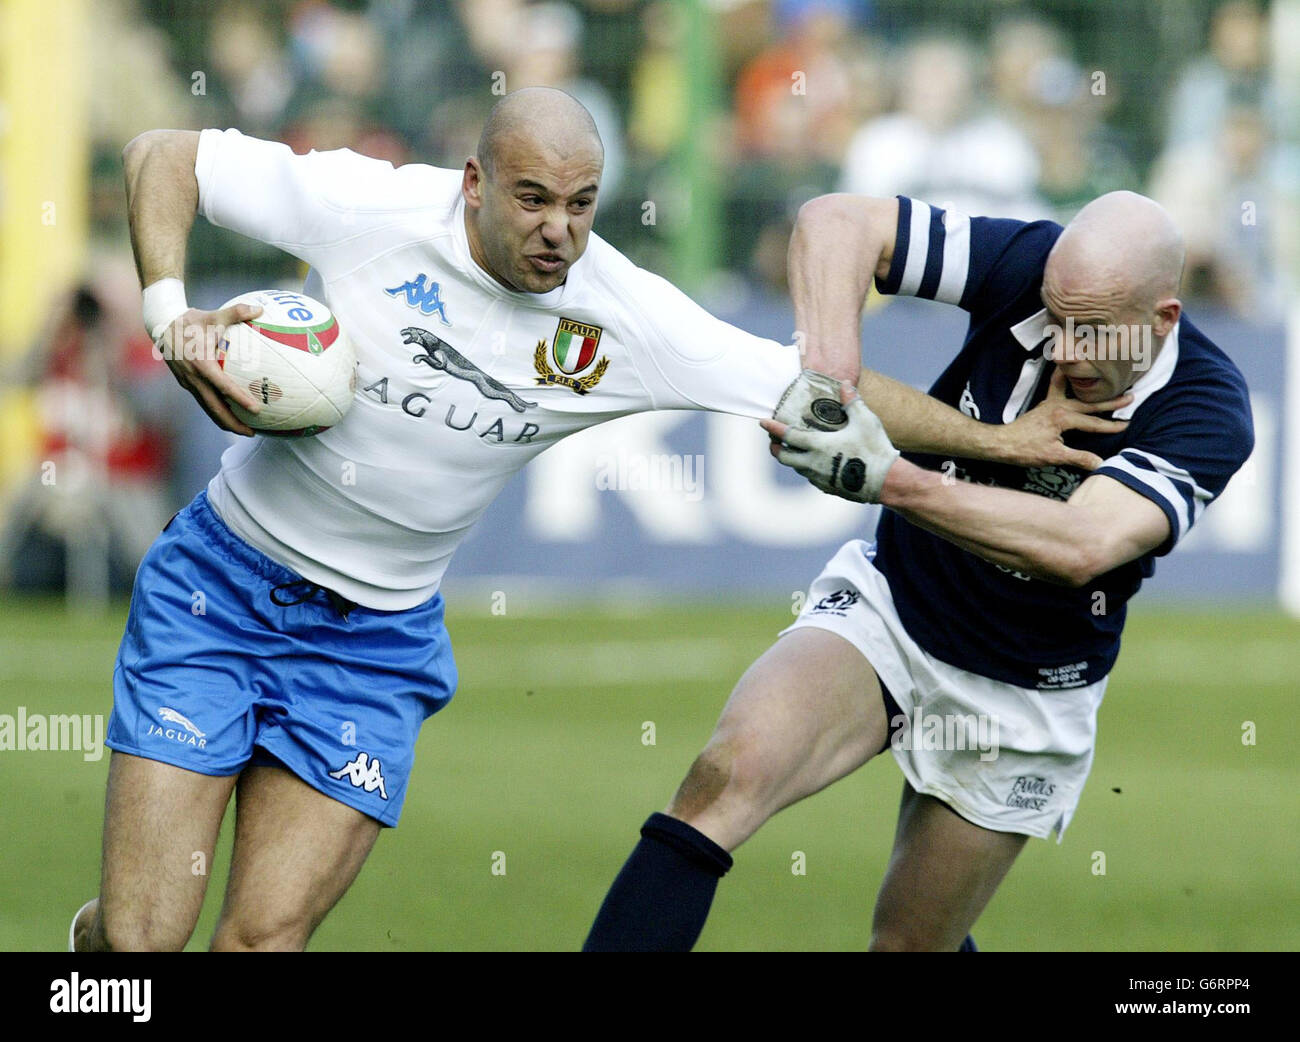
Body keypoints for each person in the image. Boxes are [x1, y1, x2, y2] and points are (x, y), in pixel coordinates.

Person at [71, 89, 1112, 952]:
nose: (557, 229)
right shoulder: (368, 205)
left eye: (580, 203)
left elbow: (818, 390)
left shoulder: (620, 313)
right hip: (222, 589)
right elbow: (163, 154)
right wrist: (169, 320)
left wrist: (1007, 444)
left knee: (259, 942)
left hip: (372, 644)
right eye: (529, 198)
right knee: (139, 951)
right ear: (473, 184)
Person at [583, 190, 1254, 951]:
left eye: (1092, 332)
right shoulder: (1027, 262)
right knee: (722, 777)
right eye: (1055, 320)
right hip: (893, 609)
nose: (1064, 349)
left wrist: (883, 472)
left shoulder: (1208, 407)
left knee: (909, 945)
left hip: (1027, 687)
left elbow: (1079, 545)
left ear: (1161, 318)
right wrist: (831, 388)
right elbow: (835, 220)